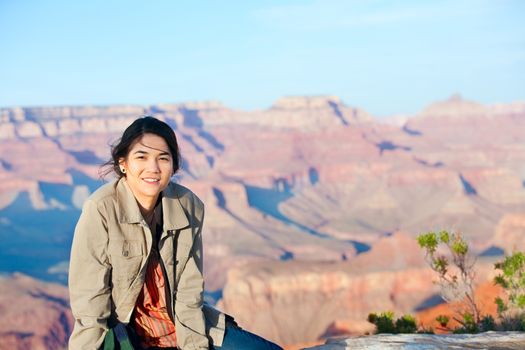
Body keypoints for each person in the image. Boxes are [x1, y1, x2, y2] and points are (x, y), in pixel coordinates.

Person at [68, 116, 283, 350]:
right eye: (141, 157)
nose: (153, 168)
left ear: (174, 166)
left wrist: (194, 346)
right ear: (123, 163)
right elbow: (90, 303)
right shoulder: (101, 209)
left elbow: (189, 293)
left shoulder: (187, 205)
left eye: (163, 158)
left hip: (181, 325)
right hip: (127, 336)